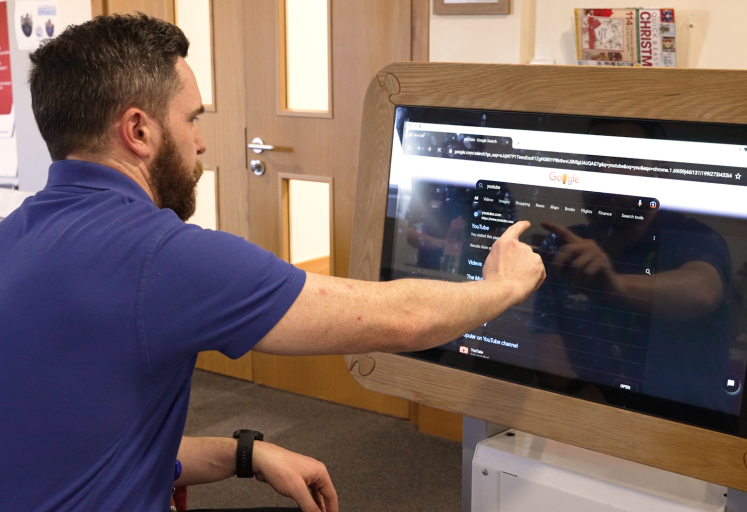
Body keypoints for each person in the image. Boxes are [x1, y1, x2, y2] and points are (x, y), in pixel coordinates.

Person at [0, 14, 544, 512]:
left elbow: (87, 447)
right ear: (139, 131)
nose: (201, 141)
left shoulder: (13, 237)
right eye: (191, 119)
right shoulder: (162, 258)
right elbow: (400, 319)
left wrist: (246, 455)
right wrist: (502, 286)